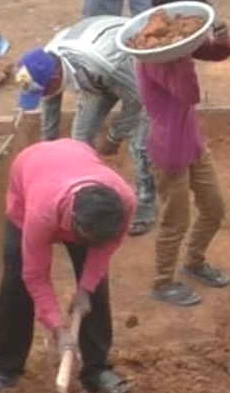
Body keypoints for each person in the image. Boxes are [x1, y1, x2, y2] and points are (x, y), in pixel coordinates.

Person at [0, 138, 136, 393]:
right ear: (75, 221)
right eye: (88, 237)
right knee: (17, 284)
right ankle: (5, 369)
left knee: (96, 287)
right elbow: (35, 275)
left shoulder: (125, 202)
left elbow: (105, 249)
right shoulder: (41, 213)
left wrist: (85, 288)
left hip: (74, 162)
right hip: (31, 178)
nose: (95, 243)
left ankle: (97, 370)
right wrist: (58, 328)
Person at [138, 0, 230, 308]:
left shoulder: (174, 46)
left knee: (215, 208)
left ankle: (194, 261)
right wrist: (184, 53)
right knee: (175, 220)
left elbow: (218, 52)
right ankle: (162, 282)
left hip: (192, 143)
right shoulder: (155, 56)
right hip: (169, 152)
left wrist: (219, 35)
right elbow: (189, 93)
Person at [16, 17, 157, 234]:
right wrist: (49, 152)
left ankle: (146, 202)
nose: (43, 96)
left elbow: (135, 100)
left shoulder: (102, 62)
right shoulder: (47, 61)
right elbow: (51, 106)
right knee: (79, 142)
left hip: (134, 74)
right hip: (95, 82)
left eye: (42, 91)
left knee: (138, 145)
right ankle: (89, 194)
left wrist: (113, 136)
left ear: (55, 77)